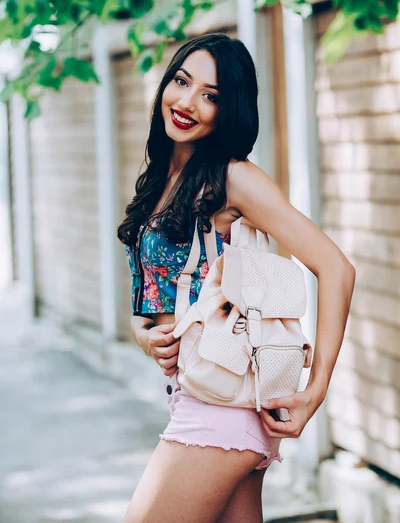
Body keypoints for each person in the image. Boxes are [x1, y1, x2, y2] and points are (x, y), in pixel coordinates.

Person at [117, 33, 356, 523]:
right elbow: (158, 294)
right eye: (181, 81)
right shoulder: (163, 177)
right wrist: (143, 335)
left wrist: (317, 387)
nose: (187, 102)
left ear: (231, 110)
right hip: (202, 395)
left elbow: (336, 267)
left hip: (221, 408)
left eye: (211, 95)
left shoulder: (232, 177)